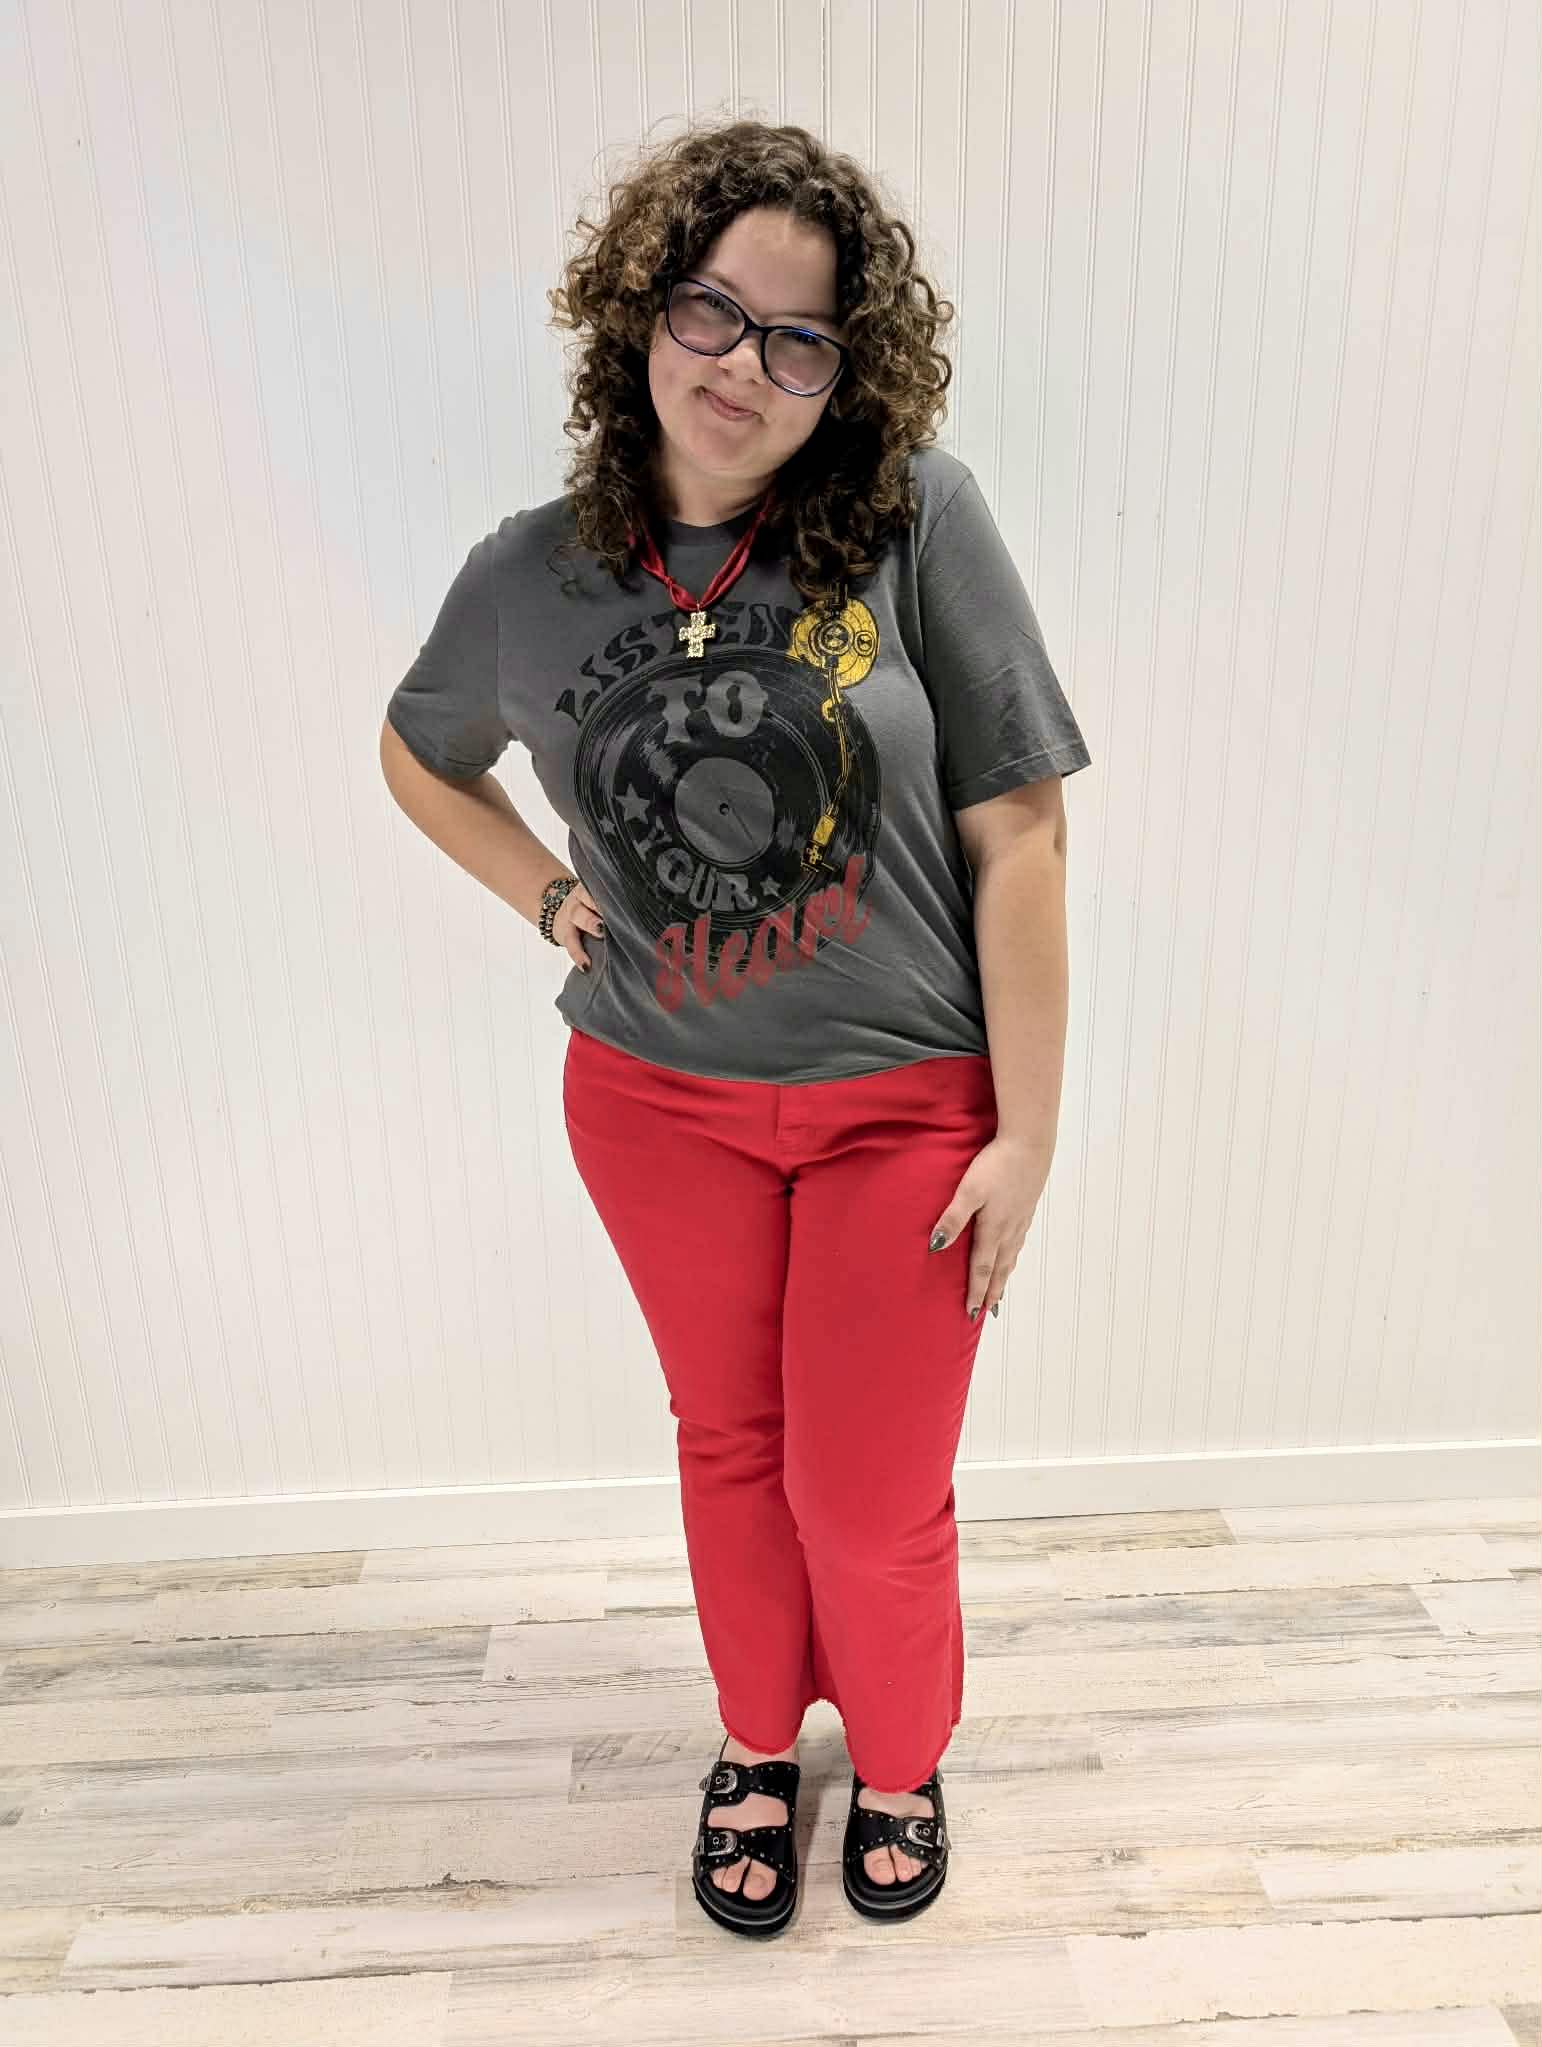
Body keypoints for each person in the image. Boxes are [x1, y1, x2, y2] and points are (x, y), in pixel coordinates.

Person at [379, 116, 1091, 1939]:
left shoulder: (914, 518)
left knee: (868, 1495)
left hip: (903, 1106)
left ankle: (903, 1758)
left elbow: (1019, 828)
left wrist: (1025, 1133)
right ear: (641, 310)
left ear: (846, 373)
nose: (741, 367)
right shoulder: (528, 574)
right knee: (731, 1450)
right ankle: (757, 1742)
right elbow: (420, 750)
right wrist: (544, 895)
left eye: (797, 339)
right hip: (652, 1100)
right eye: (709, 311)